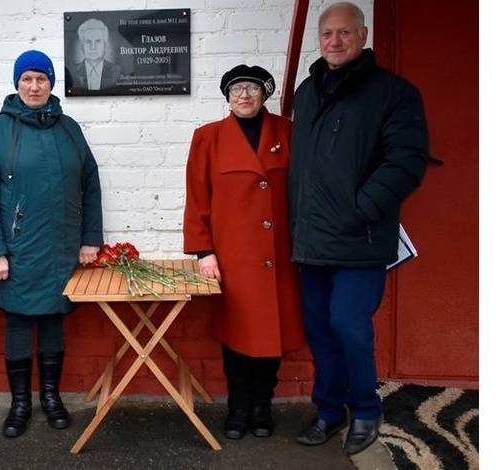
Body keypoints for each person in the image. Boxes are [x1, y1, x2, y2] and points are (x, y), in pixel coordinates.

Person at [288, 2, 429, 455]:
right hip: (311, 241)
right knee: (320, 330)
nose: (335, 41)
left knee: (349, 326)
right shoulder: (307, 92)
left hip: (361, 240)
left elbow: (406, 161)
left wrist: (360, 208)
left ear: (363, 36)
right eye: (327, 33)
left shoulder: (393, 93)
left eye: (344, 32)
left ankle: (366, 410)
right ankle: (330, 410)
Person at [0, 50, 103, 438]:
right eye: (27, 79)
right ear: (17, 84)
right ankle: (20, 404)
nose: (34, 86)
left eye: (41, 79)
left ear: (51, 84)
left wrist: (90, 239)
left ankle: (50, 397)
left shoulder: (69, 128)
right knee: (18, 319)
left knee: (52, 318)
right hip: (17, 248)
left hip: (61, 245)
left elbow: (90, 183)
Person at [183, 65, 305, 440]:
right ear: (227, 96)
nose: (244, 96)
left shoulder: (287, 132)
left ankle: (261, 406)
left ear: (264, 93)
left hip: (279, 256)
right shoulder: (208, 137)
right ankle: (237, 408)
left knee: (271, 333)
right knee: (237, 335)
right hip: (232, 258)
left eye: (252, 88)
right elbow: (197, 197)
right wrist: (204, 252)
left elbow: (303, 190)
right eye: (237, 89)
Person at [71, 18, 122, 90]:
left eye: (98, 41)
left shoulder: (117, 72)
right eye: (88, 42)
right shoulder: (72, 71)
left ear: (105, 45)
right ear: (82, 46)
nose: (93, 47)